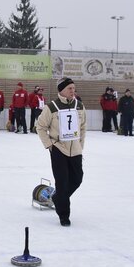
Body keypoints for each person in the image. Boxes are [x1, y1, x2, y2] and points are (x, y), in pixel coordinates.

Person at [36, 77, 86, 227]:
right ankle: (64, 215)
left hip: (75, 150)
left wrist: (80, 146)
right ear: (62, 90)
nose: (73, 91)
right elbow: (40, 127)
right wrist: (49, 145)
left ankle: (58, 198)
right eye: (69, 88)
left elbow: (83, 128)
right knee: (62, 182)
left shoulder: (80, 105)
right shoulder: (51, 107)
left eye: (73, 88)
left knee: (77, 179)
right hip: (58, 149)